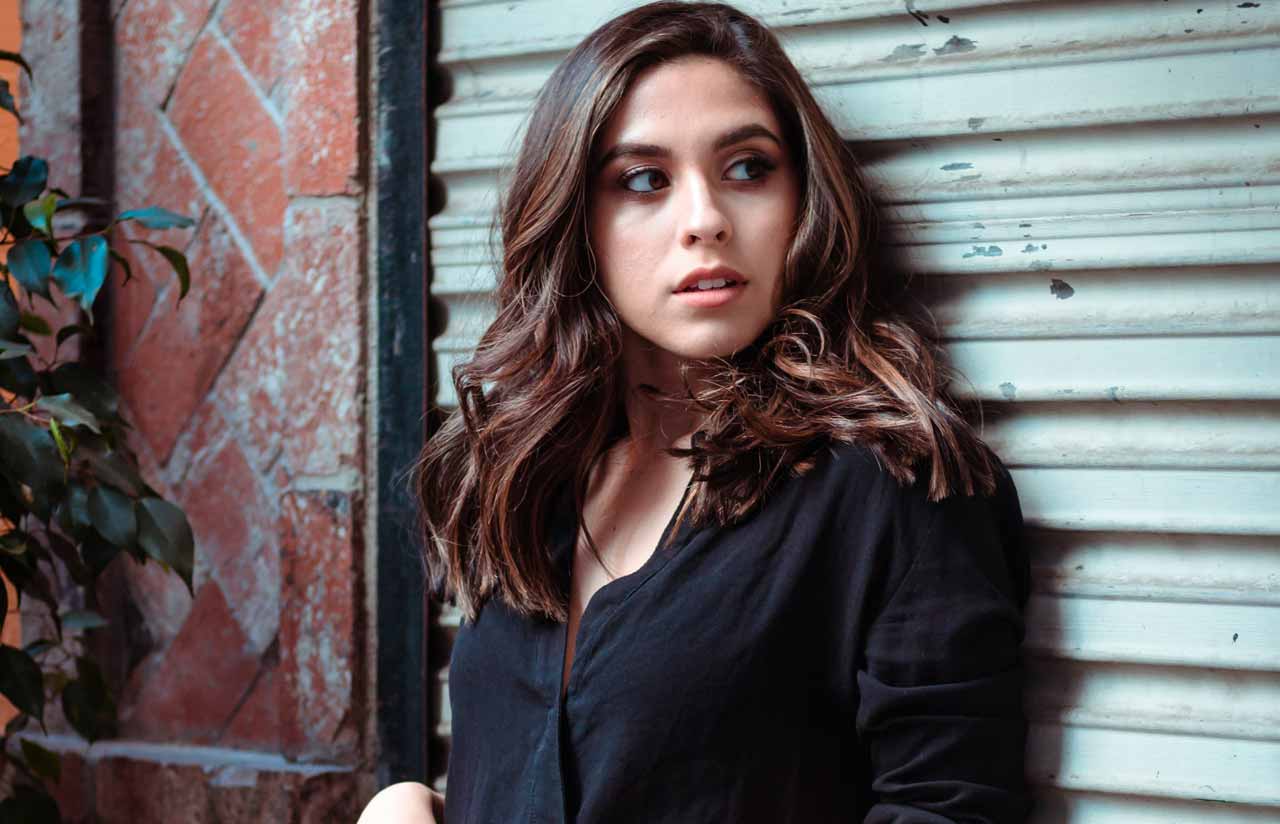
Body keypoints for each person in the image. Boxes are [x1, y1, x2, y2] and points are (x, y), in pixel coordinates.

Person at [359, 2, 1033, 822]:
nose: (706, 219)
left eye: (748, 168)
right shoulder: (527, 480)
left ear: (803, 199)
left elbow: (948, 808)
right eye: (644, 180)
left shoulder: (893, 484)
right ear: (578, 223)